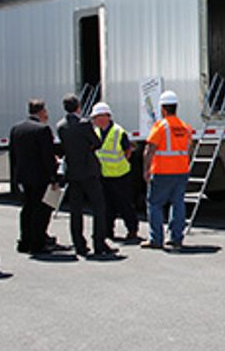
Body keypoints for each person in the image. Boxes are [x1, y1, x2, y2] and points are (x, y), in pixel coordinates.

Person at [56, 93, 115, 257]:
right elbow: (97, 143)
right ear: (78, 107)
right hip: (88, 171)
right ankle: (99, 242)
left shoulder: (61, 126)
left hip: (73, 172)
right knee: (98, 207)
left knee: (76, 210)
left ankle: (79, 245)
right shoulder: (84, 124)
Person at [142, 90, 194, 249]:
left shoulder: (160, 126)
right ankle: (176, 238)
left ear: (163, 109)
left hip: (163, 171)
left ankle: (156, 239)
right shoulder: (185, 127)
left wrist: (146, 170)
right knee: (178, 203)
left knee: (155, 204)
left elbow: (149, 149)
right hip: (181, 171)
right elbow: (189, 149)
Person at [10, 99, 59, 255]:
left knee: (27, 208)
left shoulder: (16, 129)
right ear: (42, 111)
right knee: (40, 210)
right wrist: (54, 175)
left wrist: (15, 176)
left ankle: (24, 241)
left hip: (23, 176)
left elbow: (13, 155)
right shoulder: (43, 130)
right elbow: (47, 156)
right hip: (40, 176)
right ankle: (38, 243)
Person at [90, 102, 139, 244]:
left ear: (105, 117)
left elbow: (127, 150)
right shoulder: (97, 132)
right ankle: (108, 231)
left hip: (120, 174)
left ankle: (132, 229)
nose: (95, 120)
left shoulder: (118, 131)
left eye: (97, 117)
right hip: (104, 175)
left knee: (124, 204)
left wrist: (120, 162)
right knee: (106, 205)